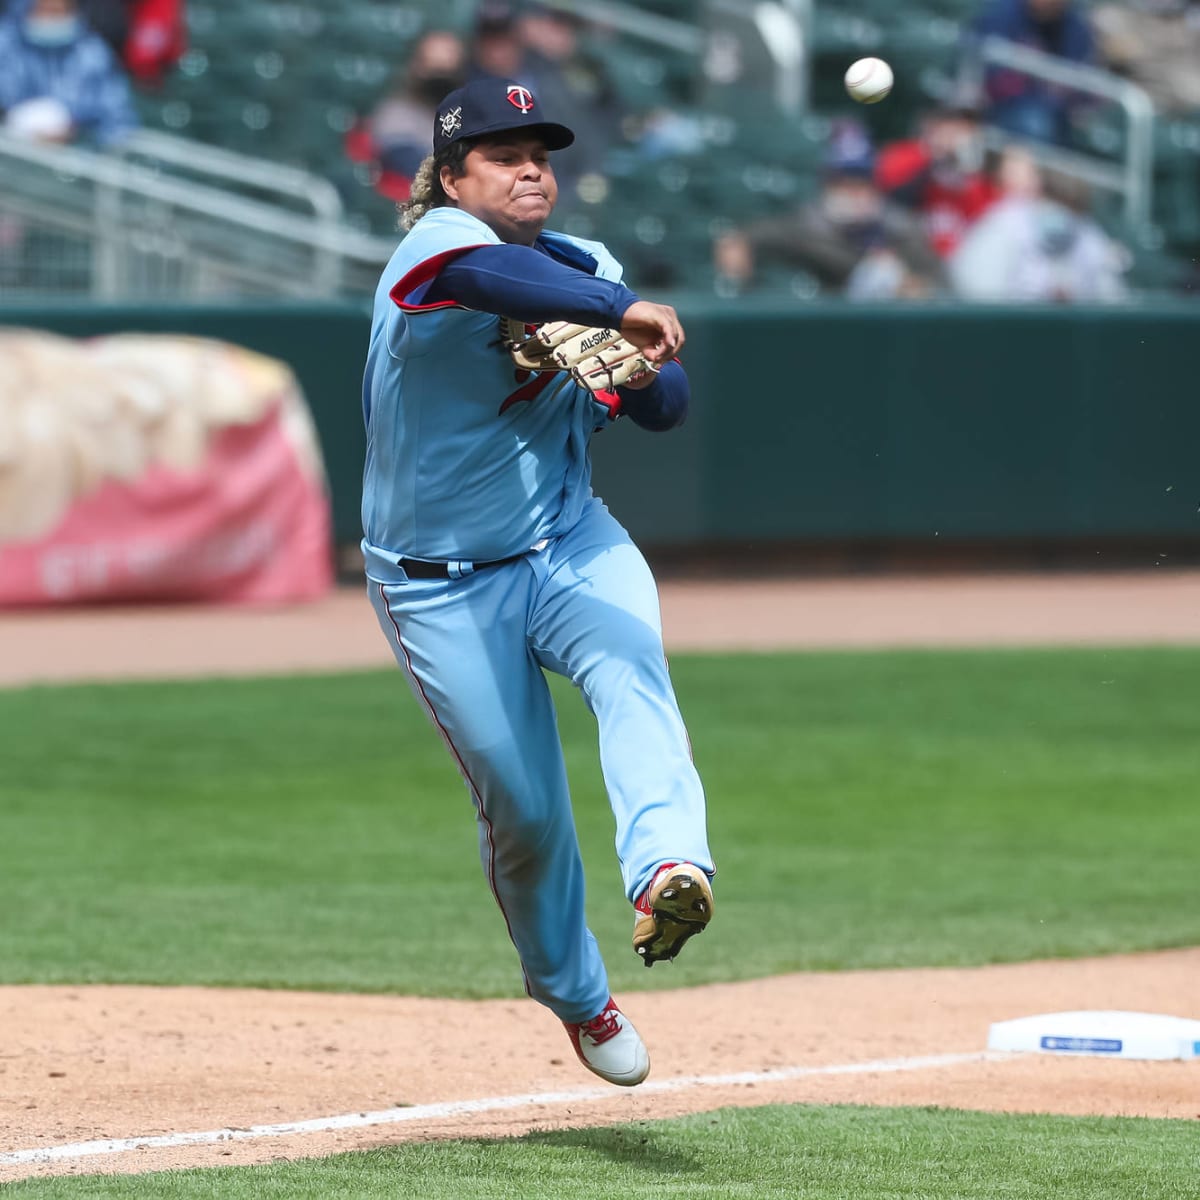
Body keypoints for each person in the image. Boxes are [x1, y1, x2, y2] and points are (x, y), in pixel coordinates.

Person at [361, 77, 716, 1088]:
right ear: (451, 174)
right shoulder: (433, 250)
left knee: (630, 664)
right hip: (437, 584)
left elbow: (667, 408)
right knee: (523, 809)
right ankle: (579, 995)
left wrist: (636, 364)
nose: (530, 171)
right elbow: (486, 284)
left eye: (542, 156)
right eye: (505, 154)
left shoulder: (582, 266)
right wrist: (612, 307)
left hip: (568, 541)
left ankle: (667, 869)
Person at [713, 119, 944, 299]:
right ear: (828, 185)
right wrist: (738, 246)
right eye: (844, 182)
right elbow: (742, 239)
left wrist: (914, 287)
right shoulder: (807, 225)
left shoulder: (899, 227)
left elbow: (943, 288)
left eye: (862, 182)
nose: (855, 192)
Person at [948, 147, 1130, 301]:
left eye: (1029, 173)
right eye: (1013, 174)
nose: (1023, 181)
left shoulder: (1081, 226)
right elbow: (979, 291)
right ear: (998, 182)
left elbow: (1110, 292)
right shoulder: (1000, 223)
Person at [346, 29, 468, 202]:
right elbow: (410, 167)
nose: (441, 74)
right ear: (415, 66)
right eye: (433, 66)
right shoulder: (394, 115)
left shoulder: (466, 119)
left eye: (448, 68)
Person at [0, 0, 140, 147]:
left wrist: (79, 135)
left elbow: (120, 121)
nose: (51, 19)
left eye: (58, 11)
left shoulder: (92, 54)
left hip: (78, 158)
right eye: (45, 10)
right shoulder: (6, 43)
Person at [875, 103, 1002, 259]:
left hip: (952, 265)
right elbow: (890, 197)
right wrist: (934, 157)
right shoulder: (904, 155)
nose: (959, 136)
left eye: (967, 129)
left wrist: (969, 175)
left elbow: (987, 223)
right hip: (904, 253)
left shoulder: (977, 181)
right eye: (953, 126)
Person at [968, 0, 1097, 145]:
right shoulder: (1002, 11)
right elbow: (985, 73)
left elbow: (1078, 93)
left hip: (1055, 118)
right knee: (1034, 123)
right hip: (1000, 109)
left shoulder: (1076, 28)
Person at [1092, 0, 1200, 115]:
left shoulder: (1183, 22)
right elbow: (1130, 56)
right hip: (1139, 107)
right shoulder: (1112, 15)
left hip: (1181, 106)